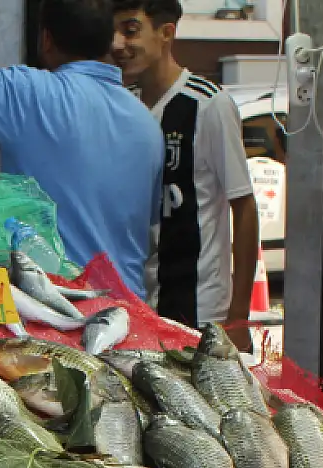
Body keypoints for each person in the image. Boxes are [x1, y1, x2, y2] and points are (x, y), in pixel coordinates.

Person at [0, 0, 163, 294]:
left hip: (59, 308)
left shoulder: (30, 93)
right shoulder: (146, 122)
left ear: (46, 40)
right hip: (130, 315)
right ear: (108, 42)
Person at [112, 0, 259, 350]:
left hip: (200, 312)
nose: (119, 44)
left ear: (167, 33)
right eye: (113, 32)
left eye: (131, 30)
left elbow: (244, 205)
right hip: (137, 307)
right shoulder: (122, 105)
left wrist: (238, 317)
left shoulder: (208, 104)